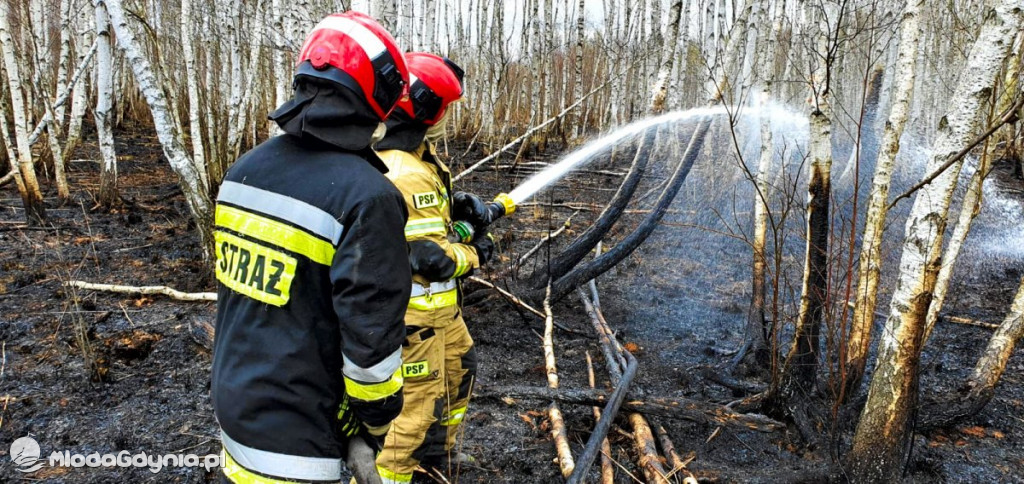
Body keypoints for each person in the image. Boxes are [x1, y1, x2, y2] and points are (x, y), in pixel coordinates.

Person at [211, 12, 413, 483]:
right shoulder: (368, 197)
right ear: (379, 96)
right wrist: (375, 427)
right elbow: (372, 348)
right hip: (303, 441)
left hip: (235, 410)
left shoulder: (244, 170)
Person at [372, 53, 495, 484]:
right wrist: (477, 251)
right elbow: (432, 260)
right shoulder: (404, 170)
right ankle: (391, 475)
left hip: (441, 318)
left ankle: (435, 463)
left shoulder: (414, 156)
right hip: (415, 320)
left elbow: (420, 228)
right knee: (413, 415)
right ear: (426, 107)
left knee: (461, 370)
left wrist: (456, 204)